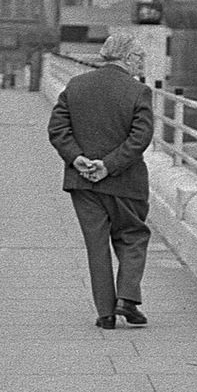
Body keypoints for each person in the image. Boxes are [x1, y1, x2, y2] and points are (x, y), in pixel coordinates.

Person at [47, 32, 155, 329]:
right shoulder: (138, 92)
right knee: (133, 236)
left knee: (96, 245)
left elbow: (58, 128)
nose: (141, 64)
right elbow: (140, 137)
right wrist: (109, 165)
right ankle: (127, 298)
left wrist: (77, 158)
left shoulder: (76, 85)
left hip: (83, 182)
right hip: (125, 182)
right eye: (140, 58)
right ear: (127, 58)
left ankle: (106, 313)